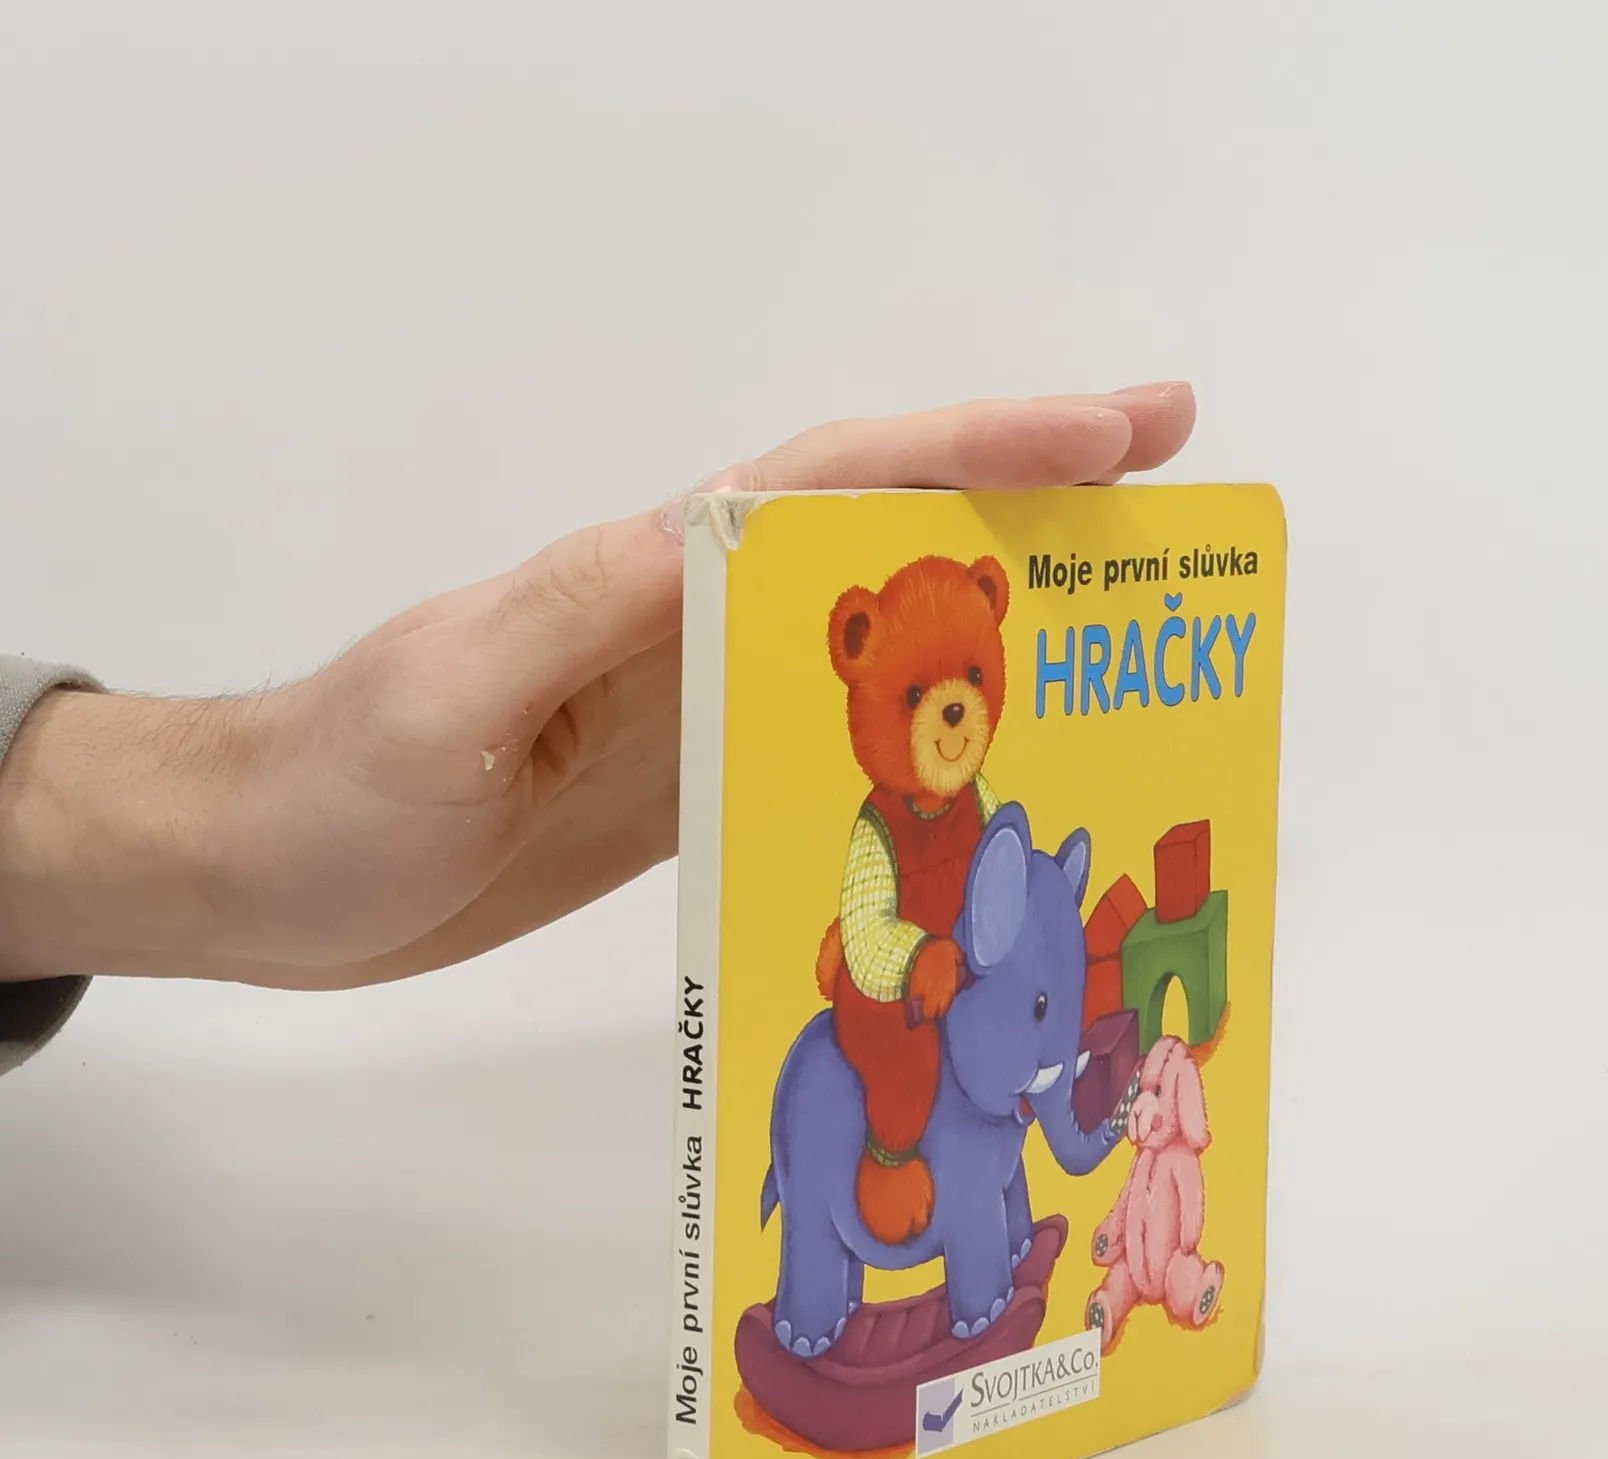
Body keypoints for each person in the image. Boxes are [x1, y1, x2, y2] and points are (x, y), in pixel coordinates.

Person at [0, 384, 1197, 1077]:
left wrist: (215, 826)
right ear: (854, 655)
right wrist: (225, 809)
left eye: (971, 684)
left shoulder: (978, 809)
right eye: (926, 691)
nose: (958, 716)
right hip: (899, 1019)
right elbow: (869, 927)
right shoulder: (876, 839)